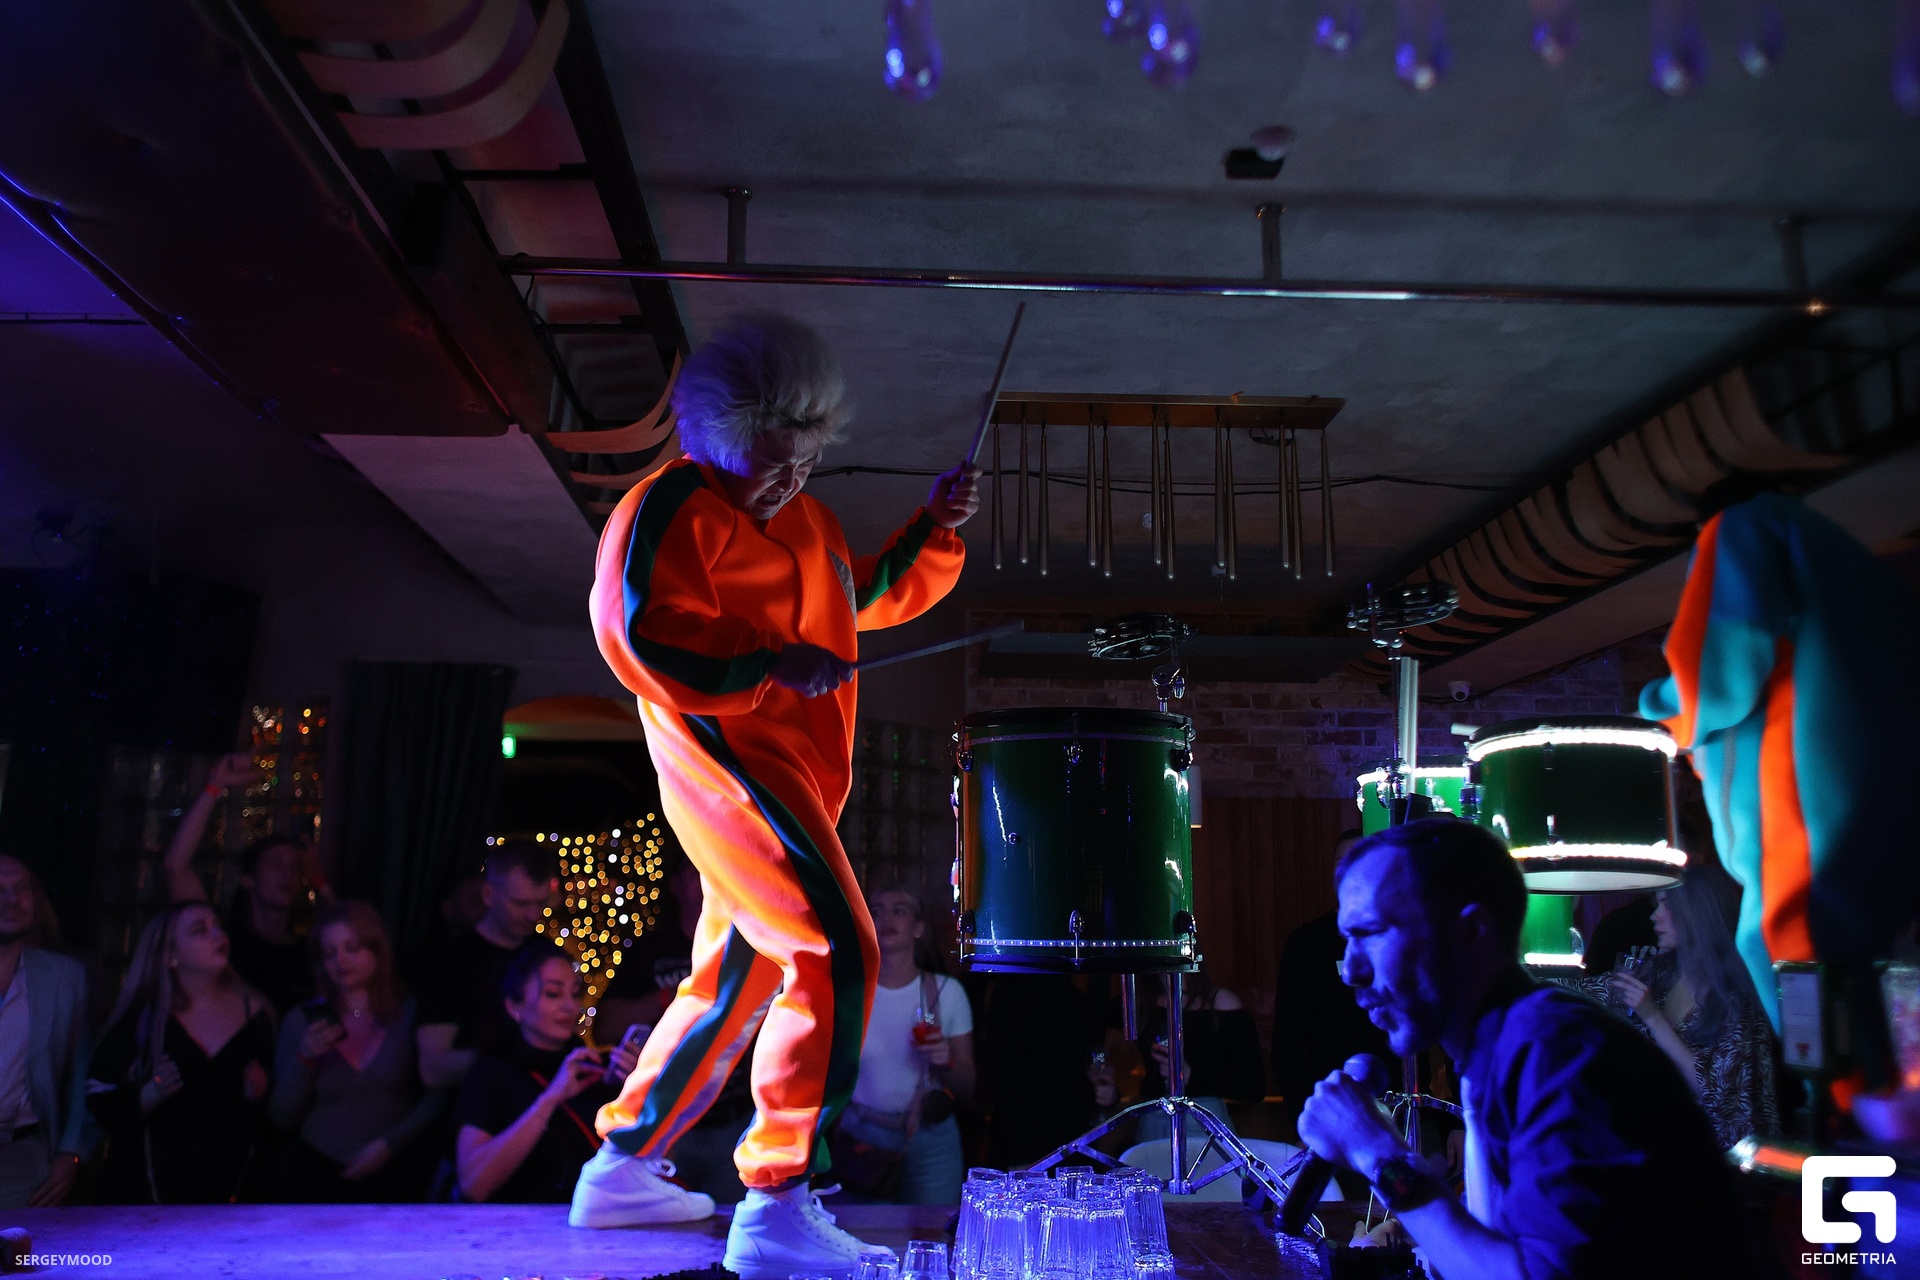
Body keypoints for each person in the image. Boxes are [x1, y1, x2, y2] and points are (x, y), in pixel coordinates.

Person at [569, 311, 976, 1277]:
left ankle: (622, 1165)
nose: (790, 481)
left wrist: (934, 530)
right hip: (731, 769)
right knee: (837, 948)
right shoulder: (667, 507)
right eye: (772, 463)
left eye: (805, 460)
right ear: (717, 440)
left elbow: (859, 598)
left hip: (795, 776)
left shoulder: (809, 521)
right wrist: (766, 661)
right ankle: (779, 1199)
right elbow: (636, 632)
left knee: (735, 979)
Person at [1296, 819, 1762, 1279]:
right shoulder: (1497, 1051)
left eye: (1371, 933)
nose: (1351, 970)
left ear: (1471, 932)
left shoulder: (1558, 1056)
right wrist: (1425, 1228)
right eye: (1347, 938)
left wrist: (1378, 1155)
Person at [86, 902, 277, 1204]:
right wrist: (150, 1094)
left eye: (217, 925)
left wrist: (259, 1094)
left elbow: (280, 1116)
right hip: (152, 1198)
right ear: (169, 955)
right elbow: (99, 1099)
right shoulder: (144, 1021)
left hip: (234, 1194)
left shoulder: (255, 1014)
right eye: (200, 930)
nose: (218, 935)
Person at [595, 851, 755, 1205]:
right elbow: (604, 1027)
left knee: (725, 1219)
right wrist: (673, 996)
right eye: (695, 871)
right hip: (666, 1119)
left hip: (733, 1119)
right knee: (658, 1216)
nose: (706, 879)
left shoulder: (745, 945)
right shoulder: (650, 950)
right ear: (676, 884)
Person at [269, 902, 443, 1201]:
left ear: (376, 950)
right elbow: (280, 1117)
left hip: (394, 1172)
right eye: (329, 953)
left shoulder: (409, 1013)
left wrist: (390, 1144)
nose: (341, 961)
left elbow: (438, 1096)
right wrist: (305, 1057)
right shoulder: (301, 1021)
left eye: (352, 948)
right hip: (316, 1171)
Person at [1600, 869, 1779, 1149]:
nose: (1654, 916)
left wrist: (1653, 1017)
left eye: (1667, 905)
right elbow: (1590, 988)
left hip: (1720, 1159)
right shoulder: (1658, 975)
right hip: (1659, 1148)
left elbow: (1718, 1095)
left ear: (1697, 914)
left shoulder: (1737, 1001)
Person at [451, 948, 643, 1204]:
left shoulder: (597, 1068)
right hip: (517, 1221)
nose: (570, 1006)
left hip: (599, 1216)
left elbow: (658, 1166)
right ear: (514, 1006)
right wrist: (551, 1098)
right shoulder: (492, 1073)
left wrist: (640, 1093)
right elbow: (473, 1185)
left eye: (575, 994)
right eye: (553, 993)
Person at [835, 886, 974, 1205]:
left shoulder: (946, 992)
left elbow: (968, 1087)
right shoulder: (848, 995)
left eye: (899, 910)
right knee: (863, 1232)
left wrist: (945, 1061)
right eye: (876, 911)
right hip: (862, 1137)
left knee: (933, 1229)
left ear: (919, 928)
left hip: (930, 1138)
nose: (886, 918)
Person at [163, 751, 325, 1013]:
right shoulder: (223, 940)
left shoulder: (306, 952)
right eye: (276, 865)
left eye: (295, 868)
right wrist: (215, 786)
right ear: (248, 879)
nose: (287, 874)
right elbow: (176, 866)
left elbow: (355, 932)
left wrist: (319, 881)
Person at [1271, 830, 1393, 1130]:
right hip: (1331, 1115)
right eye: (1341, 863)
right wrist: (1303, 1121)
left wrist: (1451, 1123)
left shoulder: (1403, 937)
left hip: (1400, 1108)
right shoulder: (1308, 943)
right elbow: (1288, 1043)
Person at [414, 842, 560, 1089]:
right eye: (521, 903)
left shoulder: (548, 954)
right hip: (473, 1101)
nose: (533, 915)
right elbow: (433, 1068)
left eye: (540, 903)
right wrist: (518, 1055)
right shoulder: (451, 962)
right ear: (488, 894)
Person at [0, 855, 93, 1209]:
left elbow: (82, 1074)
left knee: (22, 1245)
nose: (12, 899)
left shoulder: (64, 977)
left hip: (22, 1160)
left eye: (22, 888)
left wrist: (71, 1151)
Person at [1126, 962, 1263, 1142]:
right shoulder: (1143, 1001)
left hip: (1202, 1121)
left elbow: (1253, 1086)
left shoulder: (1220, 1004)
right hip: (1152, 1121)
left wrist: (1192, 1076)